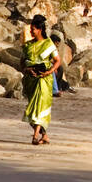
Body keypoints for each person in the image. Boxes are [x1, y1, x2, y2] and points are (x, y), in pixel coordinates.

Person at [21, 14, 60, 145]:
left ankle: (35, 135)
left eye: (33, 29)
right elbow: (22, 62)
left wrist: (49, 71)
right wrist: (28, 69)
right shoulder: (28, 45)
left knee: (40, 107)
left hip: (44, 80)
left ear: (40, 29)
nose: (31, 31)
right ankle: (44, 135)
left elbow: (57, 61)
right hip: (31, 79)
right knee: (31, 108)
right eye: (31, 29)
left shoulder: (48, 44)